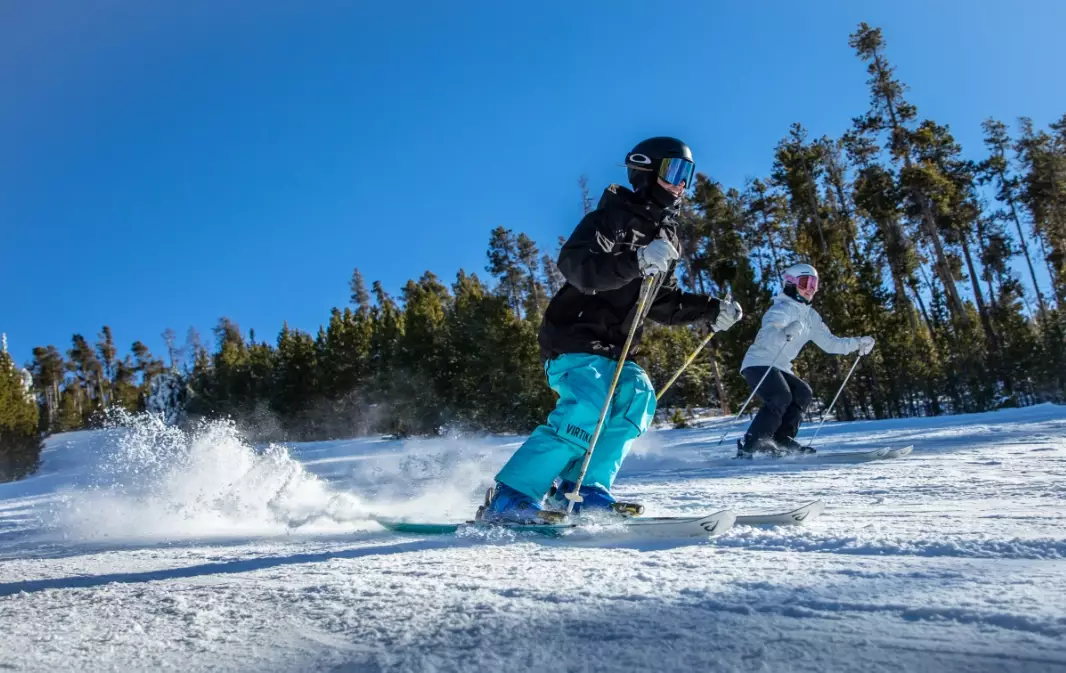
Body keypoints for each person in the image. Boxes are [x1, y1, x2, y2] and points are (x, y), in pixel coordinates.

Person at [479, 137, 743, 523]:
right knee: (587, 406)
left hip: (616, 348)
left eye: (688, 174)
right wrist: (636, 260)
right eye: (674, 171)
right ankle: (512, 495)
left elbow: (661, 302)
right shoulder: (610, 218)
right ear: (646, 171)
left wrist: (711, 309)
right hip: (574, 336)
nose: (681, 183)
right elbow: (577, 267)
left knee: (638, 397)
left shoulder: (667, 238)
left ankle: (582, 489)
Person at [737, 263, 875, 457]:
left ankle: (781, 439)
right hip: (759, 362)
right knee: (781, 396)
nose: (810, 289)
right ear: (791, 284)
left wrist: (857, 344)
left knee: (803, 392)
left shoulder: (811, 317)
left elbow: (830, 343)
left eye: (814, 284)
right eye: (805, 283)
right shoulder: (781, 309)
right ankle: (753, 443)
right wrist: (784, 332)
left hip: (782, 366)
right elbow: (769, 331)